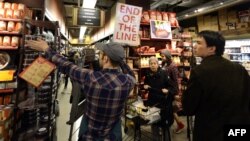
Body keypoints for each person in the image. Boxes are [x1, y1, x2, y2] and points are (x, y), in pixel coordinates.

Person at [25, 40, 136, 141]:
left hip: (89, 136)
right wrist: (119, 60)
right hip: (112, 137)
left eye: (101, 54)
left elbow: (66, 65)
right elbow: (131, 75)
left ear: (106, 58)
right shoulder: (128, 82)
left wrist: (47, 49)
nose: (99, 56)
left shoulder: (90, 77)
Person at [182, 30, 250, 141]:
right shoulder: (239, 69)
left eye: (199, 43)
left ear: (212, 49)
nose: (195, 46)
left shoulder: (200, 72)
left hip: (211, 132)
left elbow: (189, 108)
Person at [143, 56, 177, 141]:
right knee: (154, 123)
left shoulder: (164, 73)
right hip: (152, 102)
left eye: (154, 63)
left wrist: (168, 90)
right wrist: (145, 86)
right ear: (149, 65)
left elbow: (173, 87)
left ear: (158, 64)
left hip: (163, 103)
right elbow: (145, 84)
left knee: (165, 124)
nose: (153, 65)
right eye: (151, 64)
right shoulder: (148, 74)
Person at [160, 49, 185, 134]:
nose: (162, 58)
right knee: (170, 109)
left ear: (167, 56)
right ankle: (177, 124)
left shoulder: (173, 66)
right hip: (166, 89)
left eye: (163, 56)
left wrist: (176, 92)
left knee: (170, 108)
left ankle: (174, 125)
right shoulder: (165, 63)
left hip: (171, 90)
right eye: (161, 56)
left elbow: (176, 80)